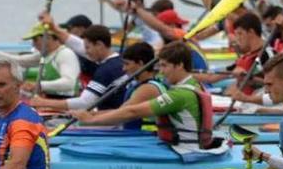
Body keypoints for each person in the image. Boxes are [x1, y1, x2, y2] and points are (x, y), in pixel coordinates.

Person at [71, 42, 216, 149]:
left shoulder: (180, 95)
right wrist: (91, 116)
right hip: (181, 146)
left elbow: (132, 111)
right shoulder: (195, 84)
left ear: (179, 65)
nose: (161, 71)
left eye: (165, 66)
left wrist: (90, 120)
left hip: (184, 152)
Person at [30, 18, 125, 112]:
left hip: (112, 123)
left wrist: (44, 102)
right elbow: (77, 45)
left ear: (99, 44)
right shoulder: (118, 60)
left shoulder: (106, 71)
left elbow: (84, 102)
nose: (86, 52)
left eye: (87, 47)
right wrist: (54, 28)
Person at [0, 23, 80, 99]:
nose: (33, 44)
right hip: (49, 105)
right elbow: (14, 61)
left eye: (35, 40)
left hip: (66, 111)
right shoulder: (44, 55)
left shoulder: (65, 54)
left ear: (48, 37)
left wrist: (37, 86)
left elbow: (69, 83)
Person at [117, 42, 167, 130]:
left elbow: (119, 115)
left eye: (127, 64)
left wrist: (90, 118)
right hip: (134, 137)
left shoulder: (148, 88)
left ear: (140, 63)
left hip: (145, 138)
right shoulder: (137, 84)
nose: (123, 69)